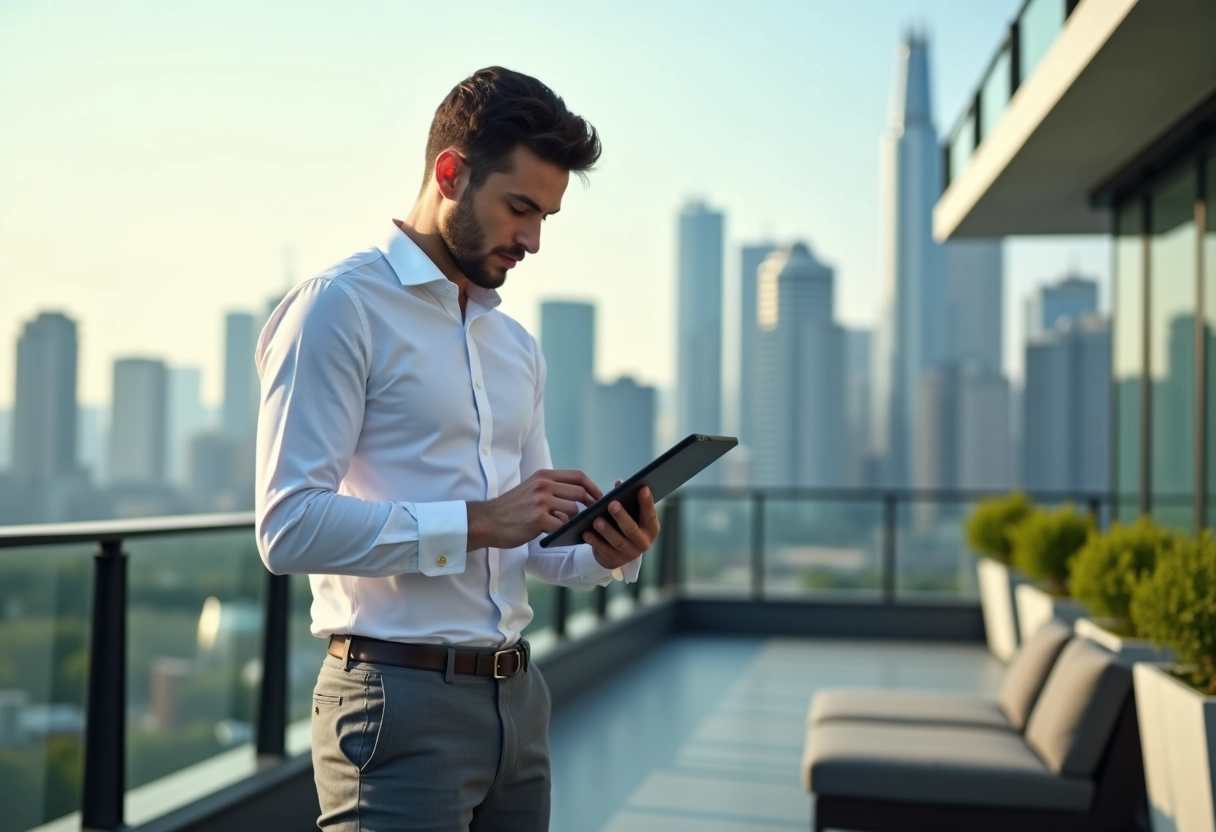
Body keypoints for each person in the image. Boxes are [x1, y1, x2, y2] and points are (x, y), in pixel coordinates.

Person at [253, 66, 659, 831]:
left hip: (520, 702)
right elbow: (288, 527)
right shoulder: (339, 309)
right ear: (450, 174)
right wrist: (478, 521)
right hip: (394, 705)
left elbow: (528, 544)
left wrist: (608, 550)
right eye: (520, 208)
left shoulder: (516, 347)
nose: (534, 240)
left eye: (546, 217)